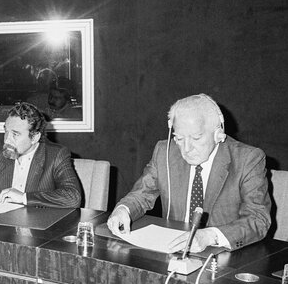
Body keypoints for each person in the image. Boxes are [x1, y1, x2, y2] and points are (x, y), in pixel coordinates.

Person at [107, 94, 271, 252]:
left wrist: (210, 236)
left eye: (196, 138)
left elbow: (258, 219)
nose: (186, 149)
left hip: (224, 255)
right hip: (172, 251)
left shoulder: (248, 159)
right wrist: (123, 209)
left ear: (218, 134)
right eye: (179, 138)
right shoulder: (165, 152)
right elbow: (142, 194)